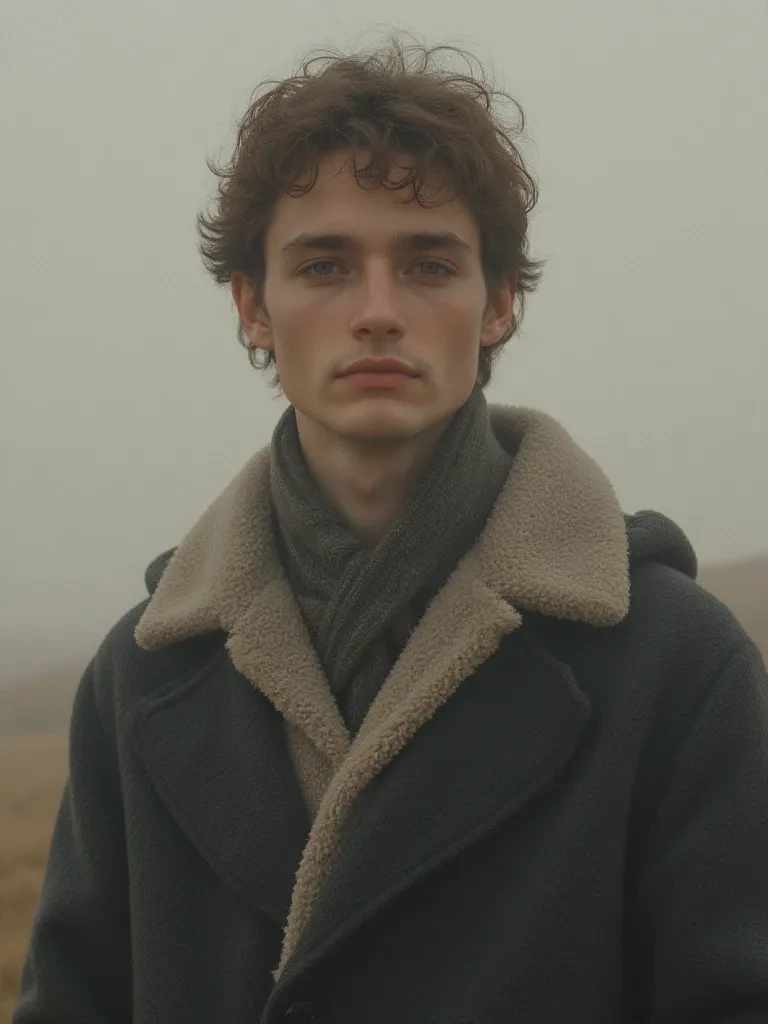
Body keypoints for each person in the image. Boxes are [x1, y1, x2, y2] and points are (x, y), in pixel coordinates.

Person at [14, 32, 768, 1024]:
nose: (376, 311)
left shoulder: (676, 664)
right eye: (325, 265)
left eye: (428, 264)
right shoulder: (139, 678)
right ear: (252, 306)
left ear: (498, 303)